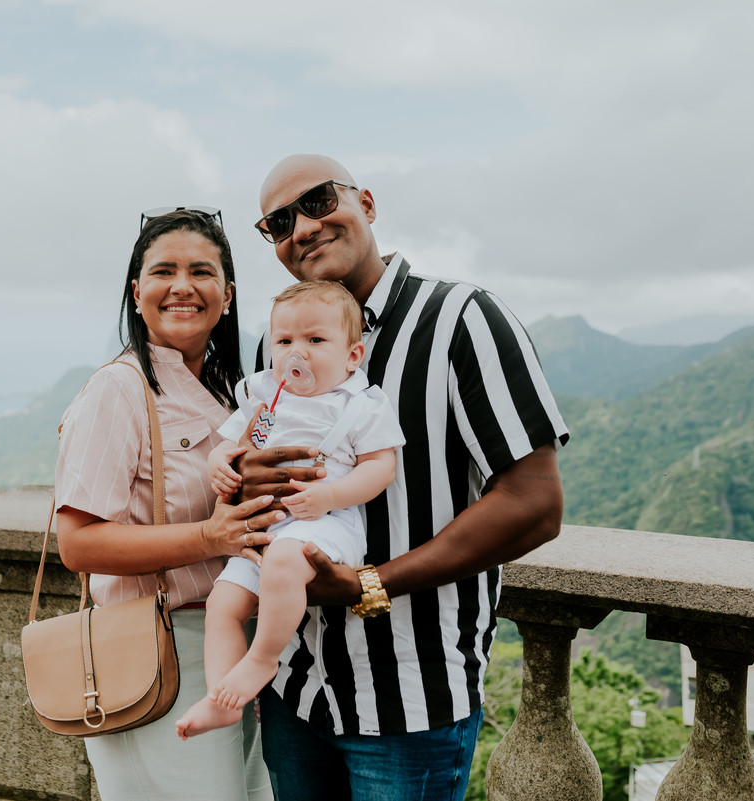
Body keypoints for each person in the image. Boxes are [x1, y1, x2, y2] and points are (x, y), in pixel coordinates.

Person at [235, 155, 571, 801]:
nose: (301, 227)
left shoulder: (462, 319)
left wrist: (366, 585)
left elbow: (535, 504)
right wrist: (245, 475)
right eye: (278, 222)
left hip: (411, 700)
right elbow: (251, 466)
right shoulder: (276, 346)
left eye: (316, 201)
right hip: (293, 689)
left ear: (365, 201)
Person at [54, 209, 277, 801]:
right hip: (156, 652)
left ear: (227, 295)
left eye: (202, 271)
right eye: (164, 271)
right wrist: (213, 537)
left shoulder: (232, 390)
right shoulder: (119, 389)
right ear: (137, 291)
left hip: (233, 645)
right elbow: (78, 544)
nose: (183, 286)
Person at [175, 280, 405, 740]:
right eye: (284, 342)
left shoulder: (359, 405)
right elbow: (232, 445)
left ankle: (260, 660)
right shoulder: (265, 396)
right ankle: (221, 697)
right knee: (224, 603)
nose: (296, 353)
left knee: (283, 562)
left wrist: (330, 497)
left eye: (315, 341)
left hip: (326, 523)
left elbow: (381, 467)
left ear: (352, 356)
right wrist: (221, 463)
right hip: (266, 529)